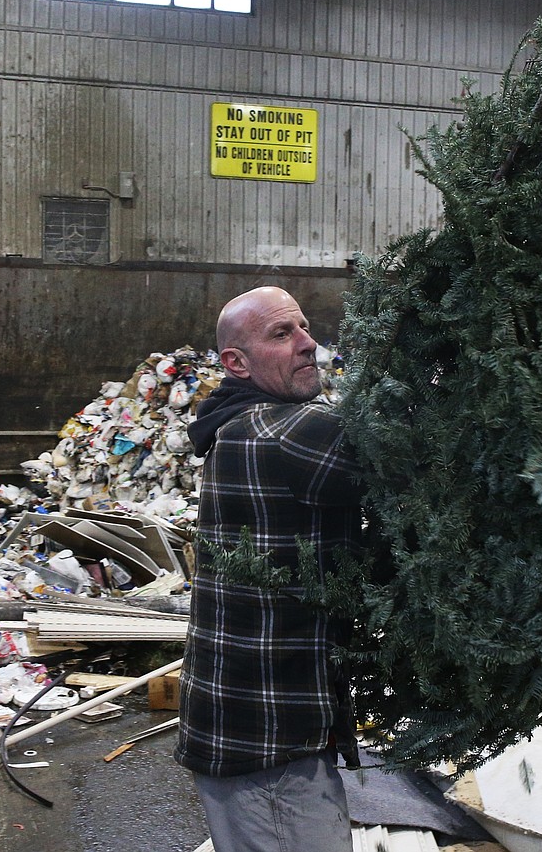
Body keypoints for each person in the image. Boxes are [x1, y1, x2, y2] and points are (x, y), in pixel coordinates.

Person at [175, 285, 365, 852]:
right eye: (282, 334)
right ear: (236, 362)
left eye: (305, 328)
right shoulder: (272, 432)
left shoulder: (238, 425)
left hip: (264, 726)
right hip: (266, 742)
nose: (309, 345)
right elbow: (408, 452)